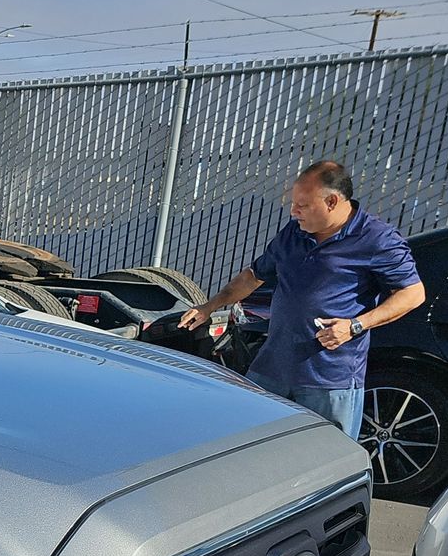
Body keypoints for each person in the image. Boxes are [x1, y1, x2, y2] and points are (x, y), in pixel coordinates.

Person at [180, 161, 425, 439]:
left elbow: (413, 293)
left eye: (303, 205)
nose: (294, 211)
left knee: (325, 460)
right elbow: (253, 276)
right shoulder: (295, 232)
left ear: (332, 201)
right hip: (272, 369)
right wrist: (209, 306)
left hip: (329, 380)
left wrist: (355, 326)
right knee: (247, 446)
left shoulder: (377, 239)